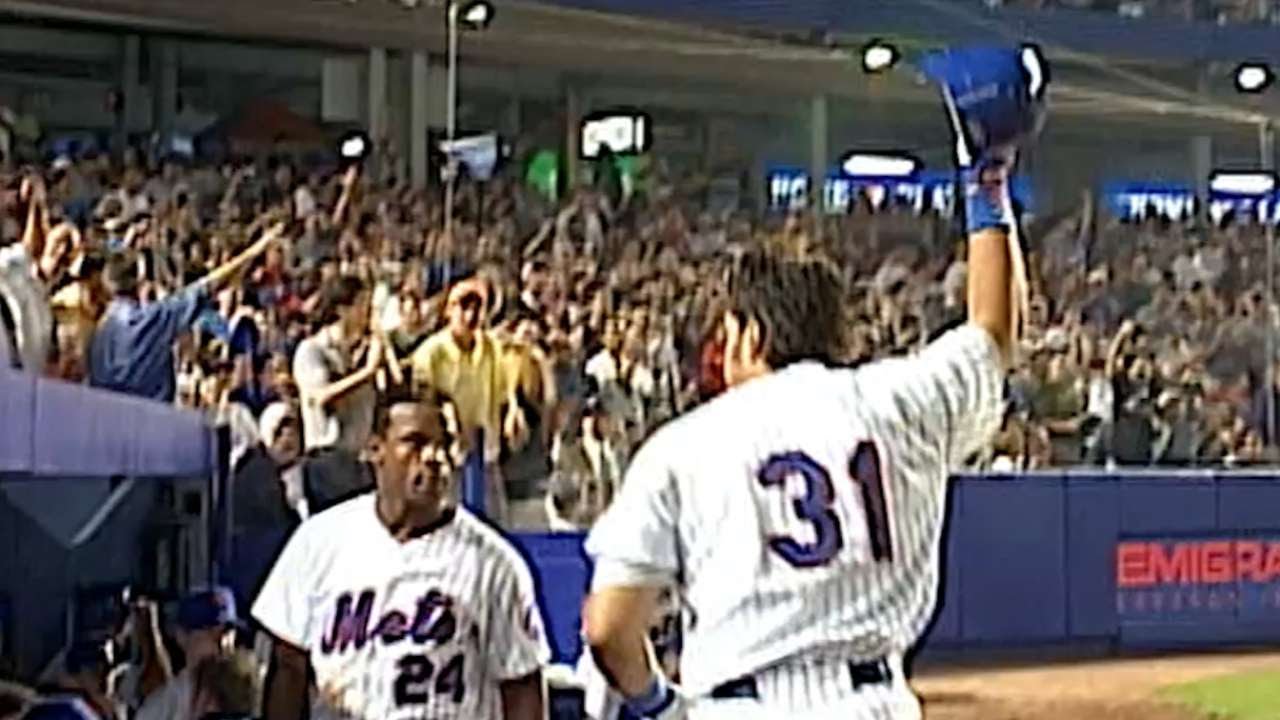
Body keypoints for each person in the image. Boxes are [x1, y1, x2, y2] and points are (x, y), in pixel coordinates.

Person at [580, 46, 1037, 720]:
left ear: (752, 335)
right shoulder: (904, 400)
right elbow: (994, 330)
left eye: (727, 335)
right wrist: (987, 183)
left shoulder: (683, 445)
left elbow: (608, 629)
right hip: (874, 701)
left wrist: (657, 705)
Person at [253, 393, 550, 720]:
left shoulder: (494, 564)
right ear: (376, 449)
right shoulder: (318, 541)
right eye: (415, 442)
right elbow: (288, 668)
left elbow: (522, 689)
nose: (434, 456)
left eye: (445, 444)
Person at [88, 225, 283, 402]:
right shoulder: (155, 318)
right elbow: (210, 285)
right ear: (140, 281)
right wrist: (255, 250)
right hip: (151, 422)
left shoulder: (98, 330)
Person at [292, 275, 380, 514]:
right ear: (342, 309)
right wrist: (366, 372)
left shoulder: (360, 352)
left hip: (359, 460)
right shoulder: (313, 350)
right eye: (362, 305)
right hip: (328, 459)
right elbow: (322, 398)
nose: (368, 313)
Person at [135, 588, 241, 720]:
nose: (222, 643)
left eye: (227, 634)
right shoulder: (163, 706)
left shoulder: (250, 696)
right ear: (182, 637)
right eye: (209, 633)